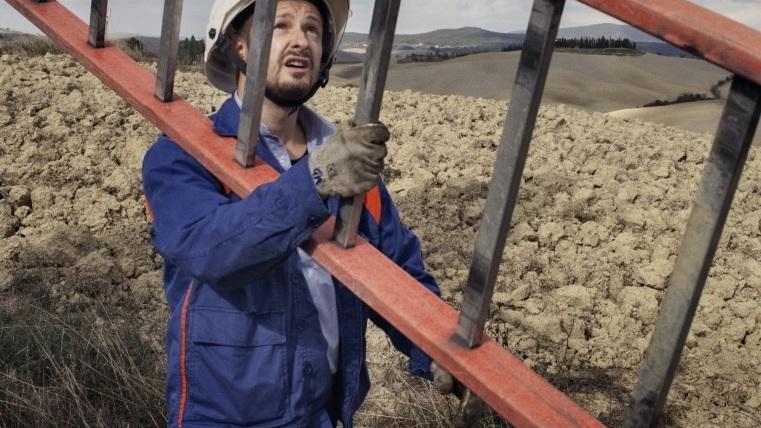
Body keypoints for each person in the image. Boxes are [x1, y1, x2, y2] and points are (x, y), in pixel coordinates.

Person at [142, 0, 462, 427]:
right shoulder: (182, 156)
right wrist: (314, 180)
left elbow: (397, 276)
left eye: (313, 29)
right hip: (224, 416)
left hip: (325, 412)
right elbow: (214, 251)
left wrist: (440, 350)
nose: (301, 40)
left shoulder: (345, 162)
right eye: (280, 25)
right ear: (238, 44)